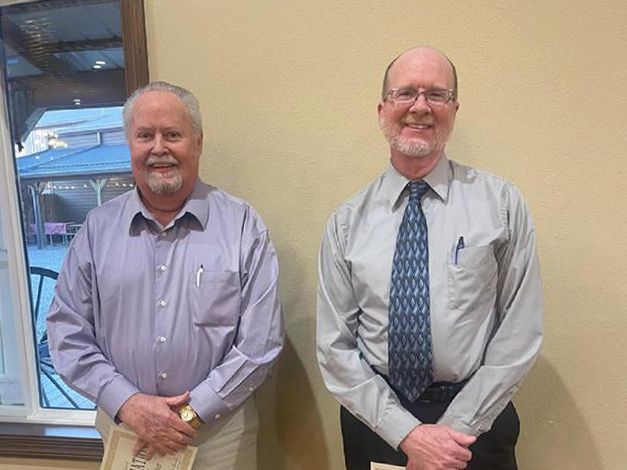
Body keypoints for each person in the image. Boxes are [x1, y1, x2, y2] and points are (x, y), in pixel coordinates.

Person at [317, 46, 542, 470]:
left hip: (476, 423)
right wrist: (408, 434)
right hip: (378, 426)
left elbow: (520, 330)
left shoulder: (502, 205)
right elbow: (335, 348)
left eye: (436, 94)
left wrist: (451, 431)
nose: (420, 106)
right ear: (383, 108)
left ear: (454, 109)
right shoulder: (346, 222)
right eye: (406, 93)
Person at [47, 81, 283, 470]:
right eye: (145, 136)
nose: (159, 148)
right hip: (127, 432)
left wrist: (189, 416)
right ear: (130, 144)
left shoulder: (243, 226)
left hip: (219, 437)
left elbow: (261, 342)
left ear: (198, 143)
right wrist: (128, 403)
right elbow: (66, 333)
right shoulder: (96, 230)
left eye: (173, 134)